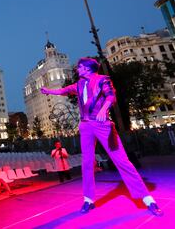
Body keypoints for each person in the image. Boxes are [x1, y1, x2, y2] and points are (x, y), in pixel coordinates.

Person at [41, 57, 163, 216]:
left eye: (79, 67)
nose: (77, 69)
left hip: (102, 124)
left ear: (87, 68)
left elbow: (111, 96)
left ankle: (147, 199)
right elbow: (63, 91)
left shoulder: (102, 79)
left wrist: (102, 109)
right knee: (87, 162)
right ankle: (88, 200)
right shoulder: (78, 84)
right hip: (85, 126)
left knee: (122, 161)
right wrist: (48, 91)